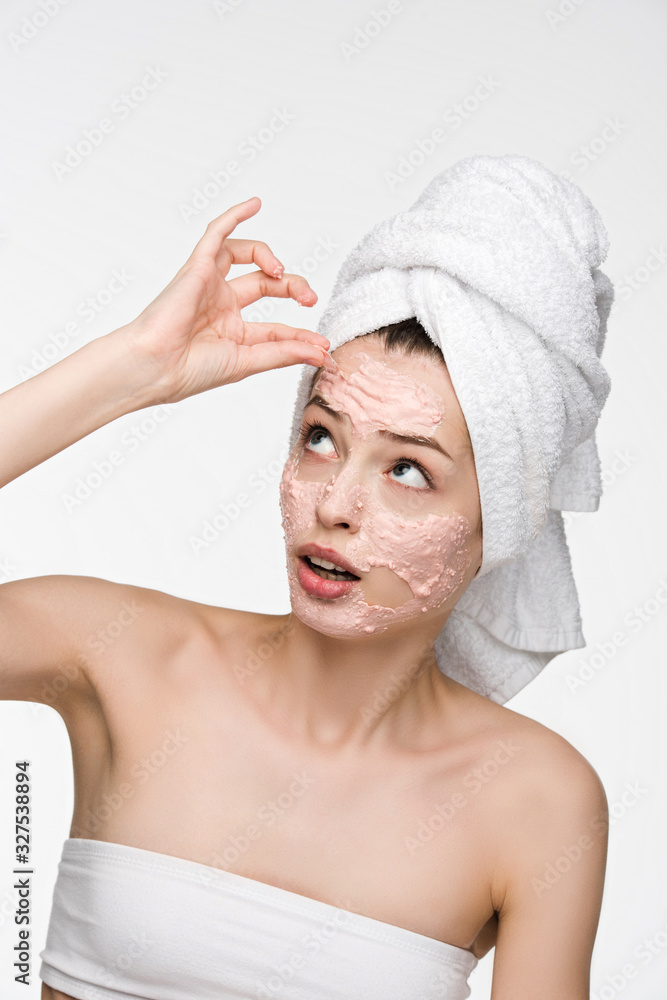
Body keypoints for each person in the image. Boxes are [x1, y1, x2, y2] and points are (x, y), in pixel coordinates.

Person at [1, 161, 610, 1000]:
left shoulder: (536, 799)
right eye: (321, 437)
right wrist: (131, 369)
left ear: (499, 521)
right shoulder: (116, 651)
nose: (335, 505)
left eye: (406, 470)